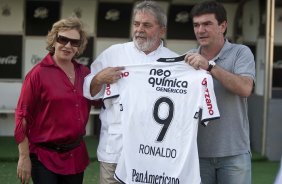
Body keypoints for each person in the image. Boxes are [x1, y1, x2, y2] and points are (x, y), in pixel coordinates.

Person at [83, 1, 178, 183]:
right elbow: (89, 90)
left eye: (147, 25)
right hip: (115, 152)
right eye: (136, 24)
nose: (139, 29)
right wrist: (100, 78)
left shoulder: (175, 62)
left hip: (154, 156)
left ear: (162, 31)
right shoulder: (113, 53)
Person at [185, 1, 255, 184]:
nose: (200, 30)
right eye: (196, 25)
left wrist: (209, 66)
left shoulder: (241, 53)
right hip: (196, 153)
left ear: (223, 26)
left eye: (207, 24)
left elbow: (245, 88)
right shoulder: (188, 59)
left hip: (234, 153)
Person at [15, 17, 92, 184]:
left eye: (74, 42)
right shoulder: (37, 74)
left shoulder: (85, 73)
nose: (68, 46)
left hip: (75, 155)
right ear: (54, 40)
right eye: (63, 39)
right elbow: (22, 116)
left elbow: (99, 99)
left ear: (79, 46)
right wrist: (23, 157)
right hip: (44, 157)